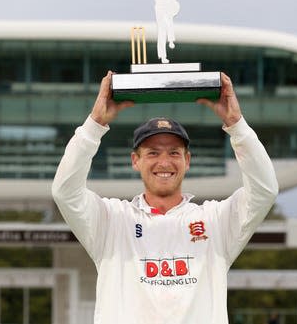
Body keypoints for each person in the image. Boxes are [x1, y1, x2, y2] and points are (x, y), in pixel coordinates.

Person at [52, 71, 278, 324]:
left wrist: (237, 125)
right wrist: (94, 125)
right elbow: (65, 192)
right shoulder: (112, 220)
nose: (164, 162)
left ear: (187, 160)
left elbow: (265, 190)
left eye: (173, 152)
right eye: (152, 153)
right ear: (135, 161)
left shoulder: (216, 220)